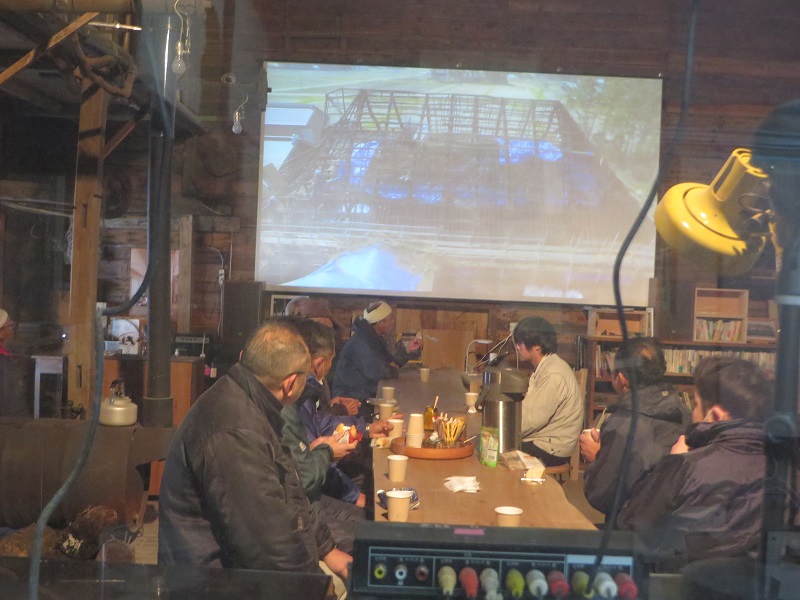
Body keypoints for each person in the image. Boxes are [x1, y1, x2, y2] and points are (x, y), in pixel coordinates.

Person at [157, 317, 351, 577]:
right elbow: (269, 547)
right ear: (290, 384)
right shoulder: (236, 431)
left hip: (240, 567)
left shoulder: (251, 400)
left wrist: (327, 549)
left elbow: (290, 489)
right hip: (210, 582)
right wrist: (317, 587)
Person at [617, 357, 771, 570]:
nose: (692, 414)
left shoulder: (685, 466)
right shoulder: (788, 469)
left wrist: (672, 463)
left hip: (682, 583)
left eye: (696, 405)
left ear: (715, 415)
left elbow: (631, 530)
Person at [580, 337, 692, 518]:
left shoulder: (624, 425)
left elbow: (603, 496)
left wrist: (597, 458)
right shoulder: (684, 412)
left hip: (633, 527)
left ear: (621, 378)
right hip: (676, 524)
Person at [512, 316, 583, 467]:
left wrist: (501, 428)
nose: (517, 347)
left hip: (551, 449)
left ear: (537, 346)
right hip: (547, 442)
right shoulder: (549, 365)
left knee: (494, 446)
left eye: (520, 343)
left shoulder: (552, 374)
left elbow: (531, 420)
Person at [332, 300, 421, 416]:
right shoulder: (361, 343)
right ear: (380, 323)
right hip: (352, 403)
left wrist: (407, 350)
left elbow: (389, 363)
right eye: (391, 318)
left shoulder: (373, 338)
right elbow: (381, 373)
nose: (393, 321)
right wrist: (393, 369)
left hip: (365, 397)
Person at [284, 297, 359, 416]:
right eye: (321, 329)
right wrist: (341, 410)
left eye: (330, 331)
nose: (327, 337)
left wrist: (329, 405)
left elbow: (313, 412)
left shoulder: (315, 366)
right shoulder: (292, 371)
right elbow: (307, 422)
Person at [0, 308, 28, 417]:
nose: (13, 326)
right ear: (0, 333)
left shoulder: (7, 355)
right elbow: (10, 400)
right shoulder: (3, 362)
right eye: (10, 325)